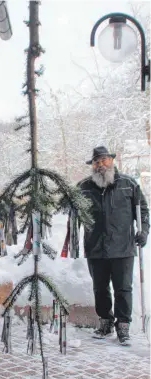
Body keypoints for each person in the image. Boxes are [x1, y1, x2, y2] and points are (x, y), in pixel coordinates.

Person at [78, 146, 149, 345]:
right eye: (96, 161)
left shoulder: (128, 184)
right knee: (100, 288)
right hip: (95, 247)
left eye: (104, 160)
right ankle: (106, 322)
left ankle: (123, 325)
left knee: (123, 289)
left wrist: (143, 231)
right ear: (92, 165)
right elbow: (70, 209)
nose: (100, 164)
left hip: (123, 247)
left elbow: (142, 210)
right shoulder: (84, 187)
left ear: (111, 160)